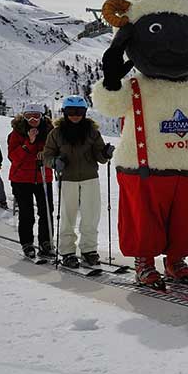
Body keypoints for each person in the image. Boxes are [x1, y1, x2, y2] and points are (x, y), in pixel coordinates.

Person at [91, 0, 188, 288]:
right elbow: (109, 104)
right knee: (144, 219)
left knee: (186, 220)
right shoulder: (137, 85)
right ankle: (144, 261)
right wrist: (113, 80)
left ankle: (175, 260)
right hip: (143, 165)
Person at [43, 96, 114, 269]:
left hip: (90, 178)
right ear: (65, 113)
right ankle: (67, 252)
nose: (75, 115)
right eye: (71, 112)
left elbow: (100, 157)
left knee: (91, 215)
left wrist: (105, 153)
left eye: (79, 112)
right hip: (68, 179)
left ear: (84, 113)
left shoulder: (92, 132)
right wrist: (54, 162)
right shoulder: (56, 133)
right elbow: (47, 156)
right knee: (68, 216)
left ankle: (89, 250)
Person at [7, 103, 55, 259]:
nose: (33, 120)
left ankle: (46, 242)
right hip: (22, 179)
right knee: (27, 213)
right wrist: (29, 142)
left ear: (42, 116)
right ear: (24, 117)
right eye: (28, 116)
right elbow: (13, 157)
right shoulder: (16, 133)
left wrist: (46, 155)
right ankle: (27, 243)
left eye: (36, 116)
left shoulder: (49, 132)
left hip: (43, 177)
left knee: (46, 211)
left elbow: (55, 152)